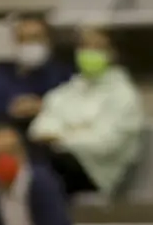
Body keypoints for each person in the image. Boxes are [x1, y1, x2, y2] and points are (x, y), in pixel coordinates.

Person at [28, 25, 146, 198]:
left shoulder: (124, 96)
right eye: (84, 46)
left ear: (112, 53)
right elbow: (39, 128)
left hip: (96, 172)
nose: (89, 53)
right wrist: (78, 131)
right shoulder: (68, 90)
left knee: (40, 169)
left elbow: (105, 144)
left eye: (97, 47)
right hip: (58, 161)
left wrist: (62, 137)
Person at [0, 13, 72, 161]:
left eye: (35, 38)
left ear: (48, 41)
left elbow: (78, 119)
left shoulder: (63, 78)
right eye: (23, 39)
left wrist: (44, 108)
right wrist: (6, 116)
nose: (30, 45)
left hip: (45, 156)